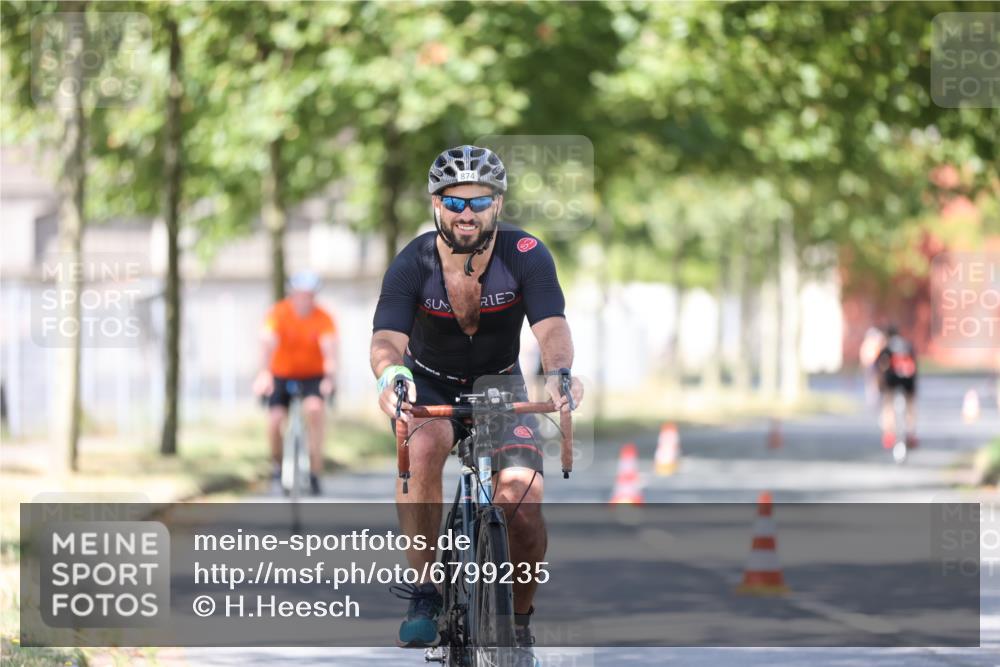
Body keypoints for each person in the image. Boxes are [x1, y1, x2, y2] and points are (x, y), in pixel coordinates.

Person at [370, 144, 583, 665]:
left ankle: (520, 623)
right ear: (437, 206)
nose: (467, 214)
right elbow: (387, 338)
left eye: (479, 202)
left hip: (498, 386)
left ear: (498, 206)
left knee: (524, 504)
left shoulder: (527, 253)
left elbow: (552, 326)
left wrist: (559, 373)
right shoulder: (413, 260)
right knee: (424, 452)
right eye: (455, 202)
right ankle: (424, 589)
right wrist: (392, 376)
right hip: (429, 384)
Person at [253, 271, 338, 496]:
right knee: (275, 420)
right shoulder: (278, 313)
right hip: (281, 374)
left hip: (312, 375)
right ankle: (277, 464)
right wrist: (263, 374)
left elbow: (329, 350)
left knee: (315, 410)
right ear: (293, 294)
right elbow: (267, 343)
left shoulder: (323, 318)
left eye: (309, 295)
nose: (305, 299)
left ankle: (315, 471)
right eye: (301, 294)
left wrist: (329, 379)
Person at [874, 324, 917, 456]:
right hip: (908, 380)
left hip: (891, 381)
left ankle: (889, 434)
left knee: (888, 404)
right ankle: (910, 433)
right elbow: (914, 364)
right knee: (910, 406)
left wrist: (879, 384)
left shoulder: (887, 347)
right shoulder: (907, 345)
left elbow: (879, 365)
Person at [859, 325, 886, 407]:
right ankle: (873, 397)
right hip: (870, 364)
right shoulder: (868, 343)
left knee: (876, 381)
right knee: (871, 381)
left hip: (875, 363)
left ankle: (876, 396)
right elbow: (864, 354)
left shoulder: (876, 342)